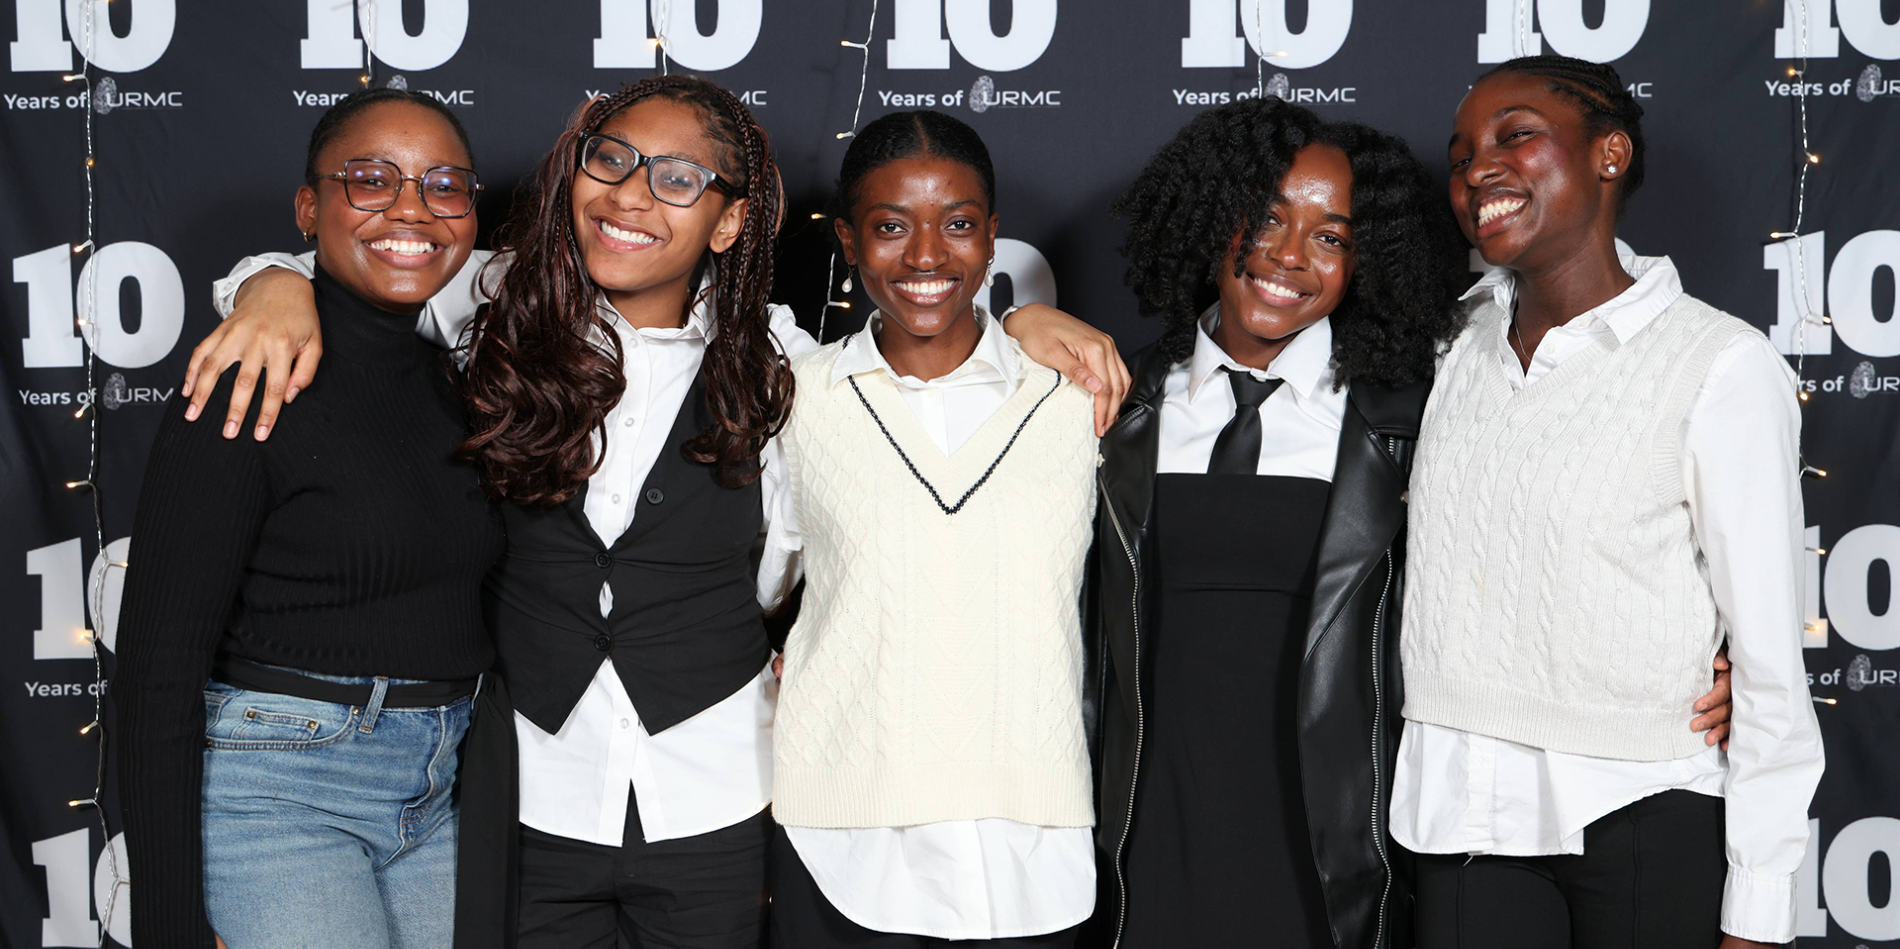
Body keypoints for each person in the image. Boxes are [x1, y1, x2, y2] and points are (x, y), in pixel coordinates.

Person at [182, 82, 1128, 949]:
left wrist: (1022, 325)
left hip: (715, 795)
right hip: (528, 794)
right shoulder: (489, 308)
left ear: (728, 223)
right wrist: (271, 282)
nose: (633, 196)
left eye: (677, 178)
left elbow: (817, 516)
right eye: (611, 160)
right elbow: (372, 268)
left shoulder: (778, 360)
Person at [1017, 97, 1737, 949]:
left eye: (1331, 236)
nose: (1289, 256)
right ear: (1213, 215)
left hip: (1338, 845)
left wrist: (1683, 657)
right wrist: (1018, 323)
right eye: (1267, 217)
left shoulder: (1419, 409)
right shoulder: (1106, 399)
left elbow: (1558, 522)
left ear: (1367, 261)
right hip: (1141, 830)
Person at [1393, 55, 1825, 949]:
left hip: (1645, 808)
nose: (1479, 170)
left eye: (1516, 136)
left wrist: (1760, 906)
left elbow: (1773, 659)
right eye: (1462, 153)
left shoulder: (1719, 365)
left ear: (1610, 153)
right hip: (1461, 811)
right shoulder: (1442, 342)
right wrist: (1023, 322)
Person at [114, 88, 500, 949]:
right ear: (308, 207)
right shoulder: (247, 379)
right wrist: (167, 924)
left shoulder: (464, 380)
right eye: (371, 179)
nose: (412, 208)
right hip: (279, 787)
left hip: (442, 789)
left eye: (445, 186)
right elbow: (157, 667)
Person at [769, 109, 1099, 948]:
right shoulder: (797, 400)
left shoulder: (1079, 400)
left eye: (956, 225)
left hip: (1033, 844)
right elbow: (749, 588)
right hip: (843, 838)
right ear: (847, 239)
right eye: (889, 227)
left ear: (992, 238)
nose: (924, 257)